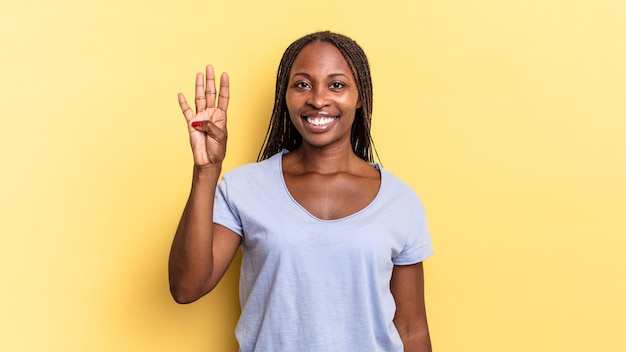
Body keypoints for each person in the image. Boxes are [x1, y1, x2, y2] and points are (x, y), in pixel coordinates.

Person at [168, 31, 434, 352]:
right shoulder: (244, 188)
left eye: (336, 85)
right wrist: (206, 171)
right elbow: (186, 288)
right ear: (286, 95)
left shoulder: (399, 201)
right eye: (303, 84)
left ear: (360, 96)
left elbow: (411, 328)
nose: (318, 99)